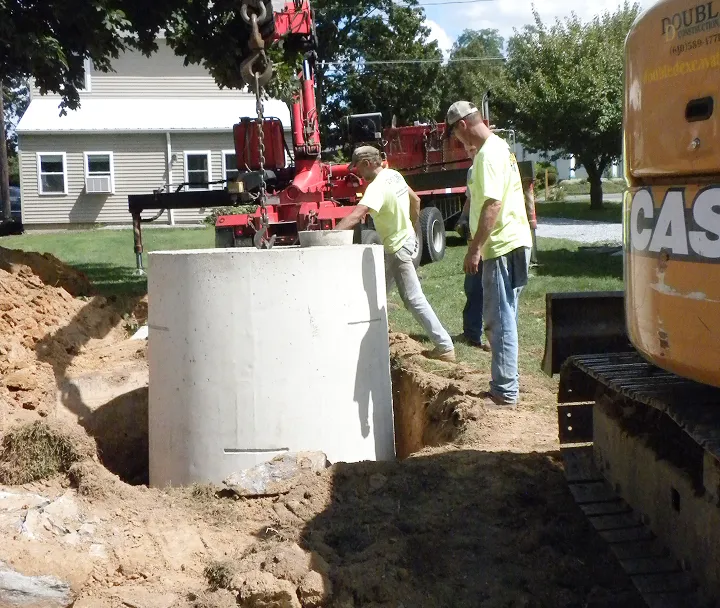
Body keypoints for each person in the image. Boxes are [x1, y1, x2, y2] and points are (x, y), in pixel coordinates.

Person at [445, 101, 533, 406]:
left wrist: (475, 248)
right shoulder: (501, 147)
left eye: (456, 135)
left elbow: (492, 204)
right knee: (506, 315)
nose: (458, 142)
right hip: (515, 241)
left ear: (462, 126)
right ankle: (507, 384)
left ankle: (505, 390)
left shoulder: (486, 156)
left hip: (501, 246)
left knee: (499, 319)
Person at [336, 146, 455, 362]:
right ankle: (378, 329)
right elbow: (416, 201)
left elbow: (356, 215)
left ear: (367, 164)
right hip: (404, 240)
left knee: (412, 298)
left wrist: (330, 237)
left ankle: (444, 345)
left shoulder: (375, 188)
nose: (358, 174)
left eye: (359, 169)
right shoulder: (394, 175)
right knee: (380, 288)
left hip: (398, 248)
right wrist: (411, 225)